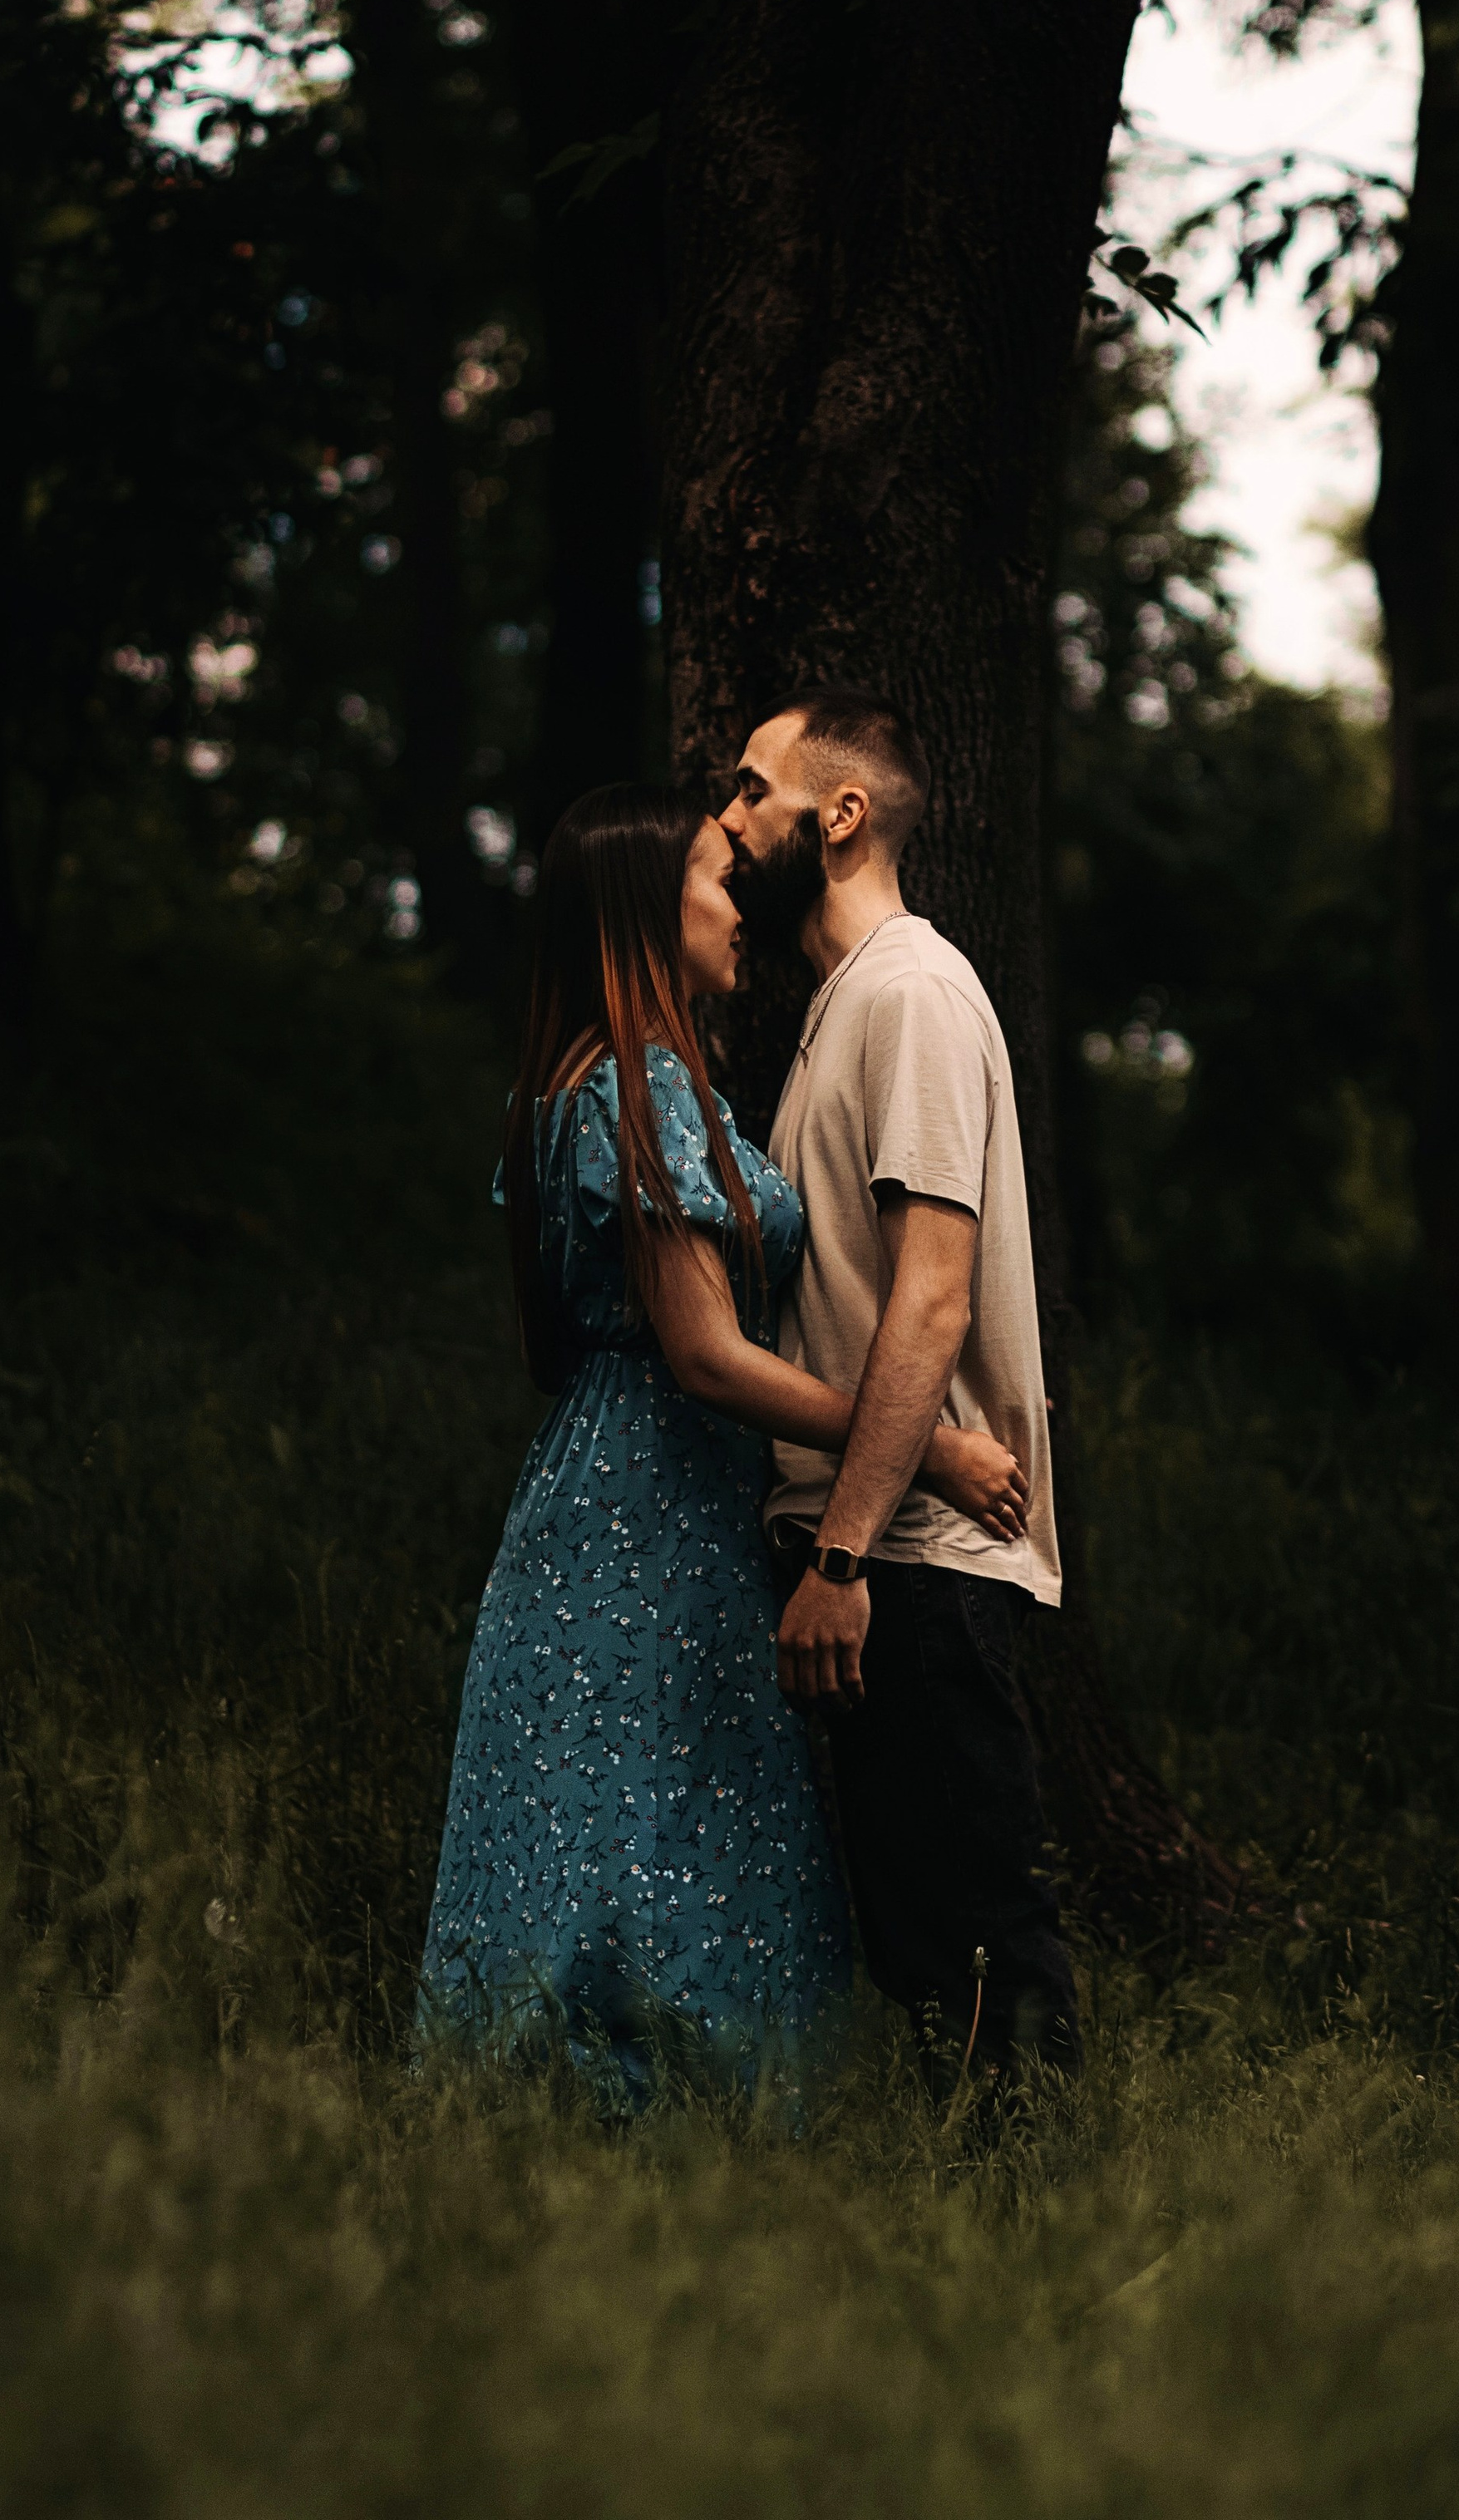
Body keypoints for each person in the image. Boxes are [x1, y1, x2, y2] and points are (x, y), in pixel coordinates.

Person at [420, 782, 1025, 2101]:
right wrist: (924, 1447)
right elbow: (704, 1355)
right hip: (645, 1510)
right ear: (645, 911)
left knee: (643, 1825)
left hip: (630, 1494)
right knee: (639, 1827)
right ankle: (635, 2137)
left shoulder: (612, 1085)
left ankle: (621, 2145)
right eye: (710, 874)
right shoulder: (636, 1090)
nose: (735, 899)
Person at [720, 687, 1082, 2083]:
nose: (733, 819)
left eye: (754, 791)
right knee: (927, 1952)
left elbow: (932, 1292)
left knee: (980, 1941)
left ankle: (1060, 2252)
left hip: (912, 1559)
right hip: (885, 1544)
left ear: (842, 813)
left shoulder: (915, 993)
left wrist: (844, 1550)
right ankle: (981, 2253)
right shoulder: (844, 1007)